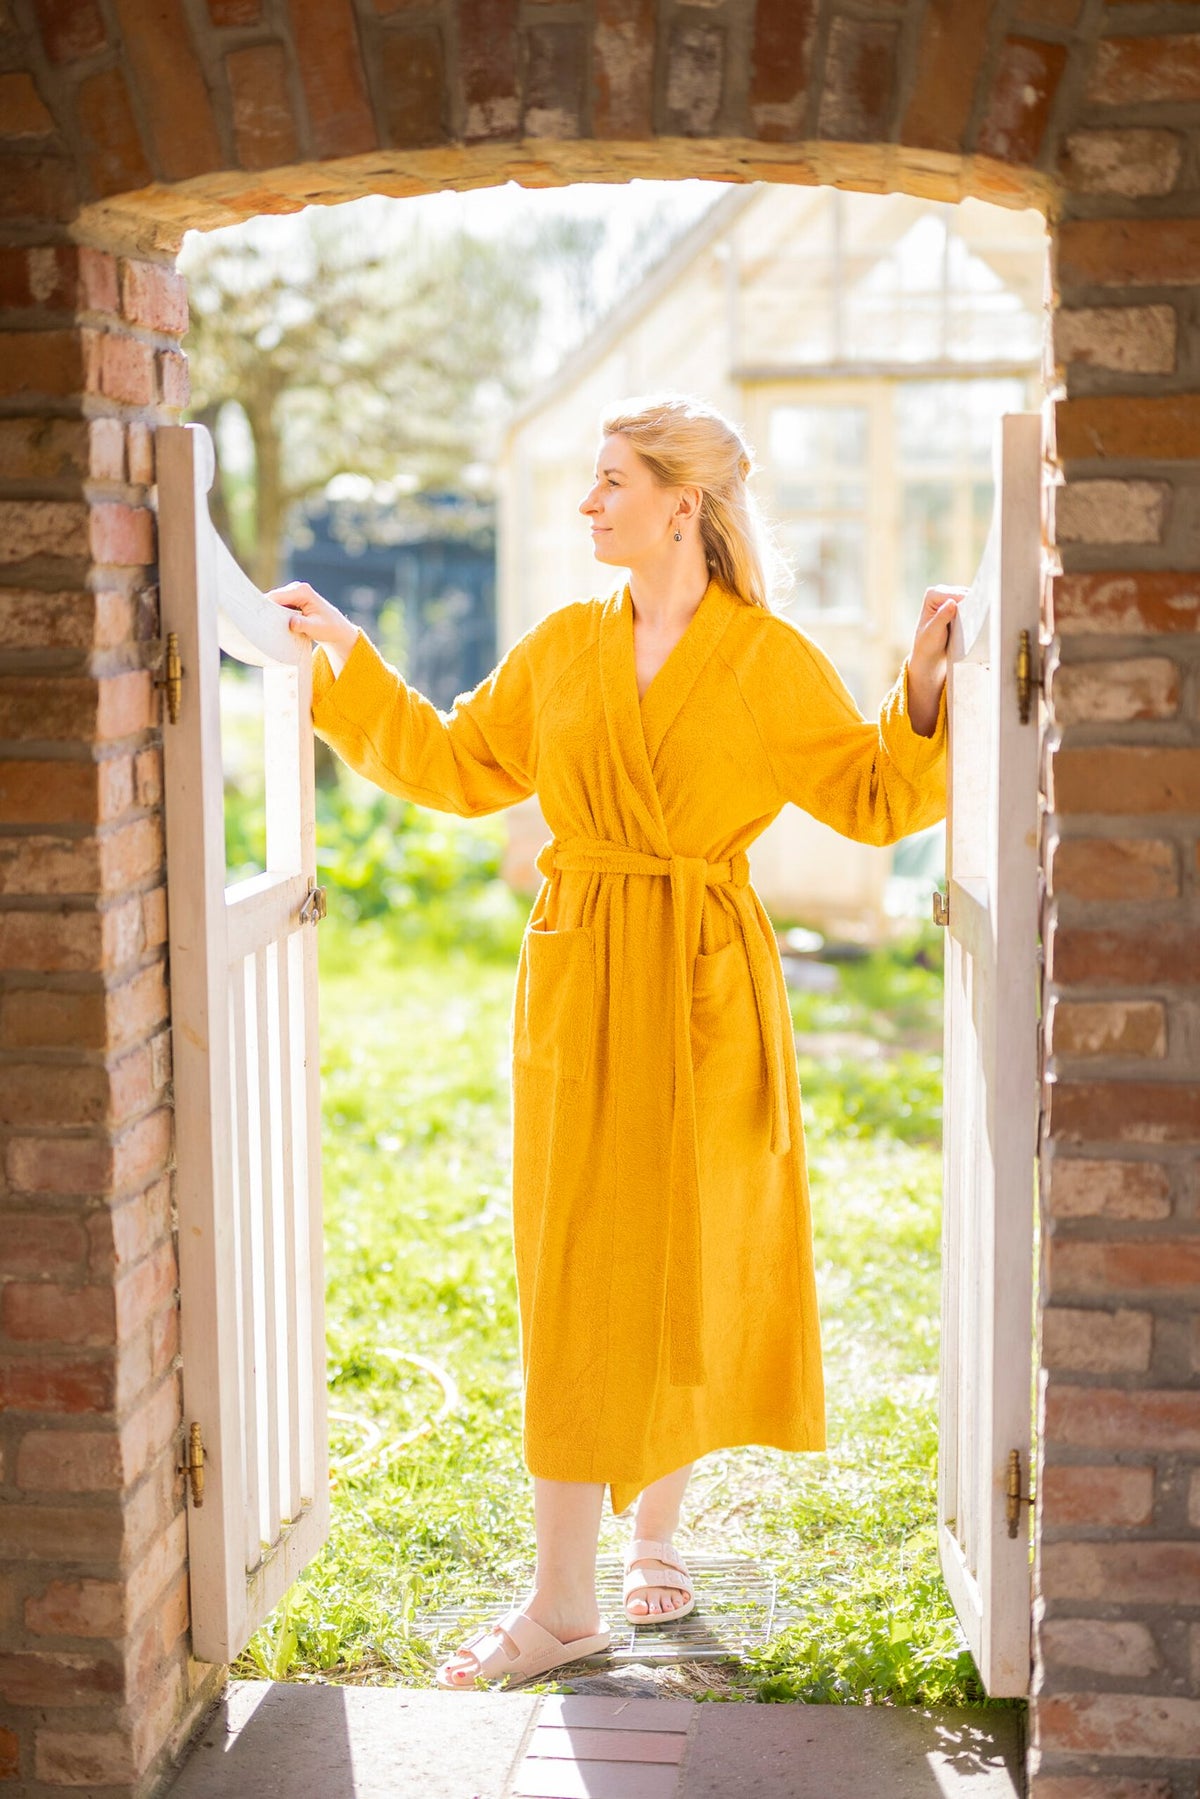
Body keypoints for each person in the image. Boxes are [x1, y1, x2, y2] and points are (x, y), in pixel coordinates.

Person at [267, 391, 961, 1692]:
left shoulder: (766, 660)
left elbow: (874, 796)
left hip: (703, 985)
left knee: (686, 1261)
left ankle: (657, 1542)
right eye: (586, 482)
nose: (584, 504)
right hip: (581, 978)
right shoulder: (561, 649)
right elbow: (457, 765)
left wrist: (923, 684)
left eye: (608, 483)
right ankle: (563, 1602)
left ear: (679, 508)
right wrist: (345, 662)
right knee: (582, 1264)